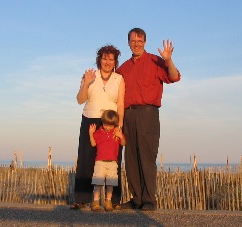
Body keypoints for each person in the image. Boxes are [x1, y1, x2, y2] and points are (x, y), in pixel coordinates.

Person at [116, 28, 181, 211]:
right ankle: (136, 198)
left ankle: (149, 200)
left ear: (144, 42)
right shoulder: (123, 69)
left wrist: (168, 60)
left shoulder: (155, 61)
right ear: (128, 42)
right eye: (132, 41)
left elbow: (174, 77)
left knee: (147, 157)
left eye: (139, 41)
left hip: (148, 113)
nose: (136, 44)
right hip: (128, 115)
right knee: (131, 159)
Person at [71, 45, 125, 210]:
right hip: (90, 120)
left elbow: (120, 103)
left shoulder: (119, 79)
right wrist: (86, 83)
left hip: (110, 121)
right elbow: (80, 100)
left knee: (113, 160)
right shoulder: (90, 75)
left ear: (115, 61)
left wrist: (120, 126)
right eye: (104, 58)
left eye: (111, 59)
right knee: (86, 158)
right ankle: (81, 199)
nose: (107, 62)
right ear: (99, 60)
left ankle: (113, 201)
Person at [89, 110, 126, 212]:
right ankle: (96, 202)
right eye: (105, 124)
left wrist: (120, 136)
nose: (107, 127)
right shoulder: (99, 132)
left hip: (113, 163)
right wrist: (91, 134)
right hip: (100, 162)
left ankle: (108, 202)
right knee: (98, 183)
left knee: (111, 184)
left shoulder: (116, 132)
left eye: (110, 125)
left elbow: (123, 143)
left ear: (114, 125)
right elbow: (93, 144)